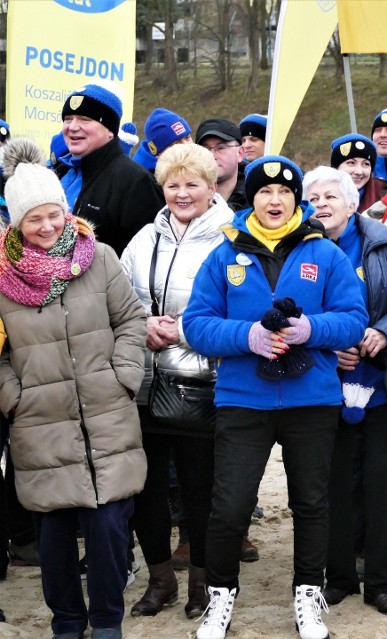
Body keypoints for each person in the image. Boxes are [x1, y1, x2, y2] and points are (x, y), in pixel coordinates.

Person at [182, 155, 368, 639]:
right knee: (230, 505)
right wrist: (249, 337)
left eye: (284, 192)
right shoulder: (225, 253)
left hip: (312, 399)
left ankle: (308, 592)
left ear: (296, 200)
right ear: (252, 198)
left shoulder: (324, 252)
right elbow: (196, 324)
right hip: (245, 399)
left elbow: (353, 317)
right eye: (265, 191)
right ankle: (221, 595)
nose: (275, 200)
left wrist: (312, 328)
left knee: (311, 502)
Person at [0, 137, 147, 639]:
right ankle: (67, 622)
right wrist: (14, 396)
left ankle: (107, 622)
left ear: (67, 211)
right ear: (16, 223)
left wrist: (124, 376)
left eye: (54, 215)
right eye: (34, 219)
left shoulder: (99, 257)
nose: (47, 227)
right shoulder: (1, 274)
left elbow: (130, 321)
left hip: (106, 415)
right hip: (39, 422)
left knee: (109, 530)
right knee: (55, 536)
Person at [303, 166, 387, 614]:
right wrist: (328, 345)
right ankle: (338, 578)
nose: (321, 204)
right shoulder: (302, 249)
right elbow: (285, 314)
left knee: (384, 484)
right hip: (322, 387)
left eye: (330, 196)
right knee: (331, 484)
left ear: (352, 201)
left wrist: (384, 332)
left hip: (383, 386)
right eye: (312, 196)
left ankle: (381, 582)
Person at [120, 143, 234, 620]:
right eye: (172, 184)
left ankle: (202, 583)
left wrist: (182, 330)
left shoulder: (231, 238)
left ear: (212, 187)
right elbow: (120, 296)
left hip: (201, 383)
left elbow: (237, 306)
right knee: (145, 490)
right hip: (145, 383)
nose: (182, 193)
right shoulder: (144, 238)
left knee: (198, 488)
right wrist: (141, 324)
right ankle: (160, 577)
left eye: (193, 184)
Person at [59, 83, 165, 256]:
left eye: (85, 119)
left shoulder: (136, 181)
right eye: (68, 118)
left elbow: (147, 258)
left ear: (110, 129)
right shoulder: (61, 173)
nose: (72, 126)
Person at [196, 118, 247, 211]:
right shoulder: (184, 201)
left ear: (240, 153)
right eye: (205, 149)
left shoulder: (256, 200)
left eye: (221, 148)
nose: (212, 155)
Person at [329, 133, 387, 212]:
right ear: (336, 168)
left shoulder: (386, 196)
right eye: (351, 163)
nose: (359, 172)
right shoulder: (319, 198)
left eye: (365, 164)